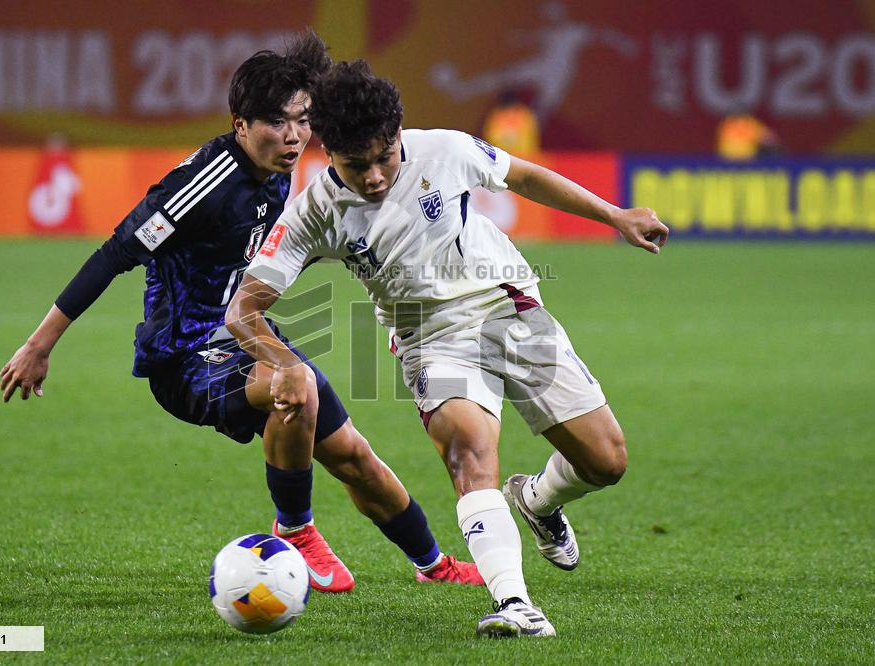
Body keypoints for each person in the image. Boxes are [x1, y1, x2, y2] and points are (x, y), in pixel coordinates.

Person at [0, 32, 482, 594]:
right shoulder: (203, 184)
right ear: (241, 125)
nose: (295, 135)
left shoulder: (280, 169)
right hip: (184, 356)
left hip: (244, 335)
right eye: (279, 123)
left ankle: (433, 565)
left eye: (303, 120)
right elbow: (115, 253)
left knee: (353, 454)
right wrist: (40, 344)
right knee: (294, 382)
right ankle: (296, 529)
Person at [226, 59, 668, 637]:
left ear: (399, 135)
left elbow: (524, 177)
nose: (376, 176)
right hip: (430, 340)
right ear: (328, 152)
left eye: (385, 157)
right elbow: (243, 308)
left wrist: (615, 215)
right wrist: (281, 361)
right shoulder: (313, 211)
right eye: (357, 166)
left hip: (511, 308)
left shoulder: (447, 150)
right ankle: (515, 604)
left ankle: (536, 500)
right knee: (469, 455)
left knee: (606, 462)